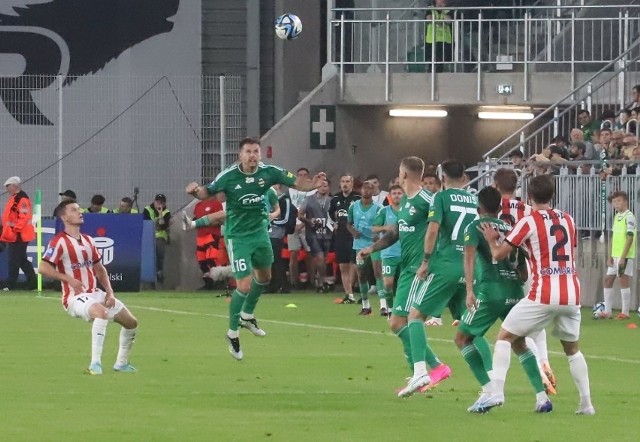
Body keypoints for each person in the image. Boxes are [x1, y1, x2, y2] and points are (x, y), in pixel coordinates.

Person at [185, 137, 326, 360]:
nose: (252, 156)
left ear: (260, 155)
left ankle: (248, 315)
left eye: (256, 152)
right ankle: (232, 333)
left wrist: (314, 185)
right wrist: (195, 191)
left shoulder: (269, 172)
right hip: (238, 237)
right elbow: (207, 192)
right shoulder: (229, 176)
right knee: (244, 283)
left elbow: (298, 183)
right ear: (240, 155)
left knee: (265, 276)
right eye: (248, 152)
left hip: (260, 233)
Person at [473, 174, 595, 415]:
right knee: (573, 350)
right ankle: (586, 404)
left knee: (504, 337)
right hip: (572, 293)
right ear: (553, 195)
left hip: (544, 292)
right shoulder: (569, 220)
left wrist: (491, 240)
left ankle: (496, 392)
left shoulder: (528, 222)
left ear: (529, 195)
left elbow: (499, 255)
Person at [397, 160, 479, 398]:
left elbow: (433, 230)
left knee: (412, 318)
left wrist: (425, 260)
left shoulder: (435, 199)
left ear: (441, 179)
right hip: (467, 264)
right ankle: (492, 382)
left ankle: (424, 369)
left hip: (436, 266)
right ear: (465, 178)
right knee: (470, 326)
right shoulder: (473, 200)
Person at [38, 199, 138, 375]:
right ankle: (95, 364)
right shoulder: (59, 241)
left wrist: (110, 292)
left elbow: (99, 269)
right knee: (102, 313)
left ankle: (121, 363)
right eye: (74, 210)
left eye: (79, 209)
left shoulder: (88, 240)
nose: (80, 212)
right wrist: (69, 279)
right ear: (64, 217)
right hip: (74, 298)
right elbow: (43, 268)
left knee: (131, 323)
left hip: (95, 293)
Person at [357, 156, 434, 381]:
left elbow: (441, 227)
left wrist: (429, 259)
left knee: (401, 321)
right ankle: (427, 369)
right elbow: (395, 234)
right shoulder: (405, 204)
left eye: (399, 172)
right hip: (408, 267)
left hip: (419, 269)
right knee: (399, 322)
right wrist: (371, 248)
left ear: (404, 175)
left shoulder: (427, 200)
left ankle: (422, 371)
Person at [455, 186, 529, 411]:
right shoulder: (509, 227)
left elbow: (468, 259)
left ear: (478, 207)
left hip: (491, 290)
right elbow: (523, 266)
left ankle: (489, 390)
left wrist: (469, 289)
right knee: (520, 343)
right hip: (515, 290)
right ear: (499, 207)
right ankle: (541, 395)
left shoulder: (474, 226)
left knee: (462, 339)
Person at [596, 191, 636, 319]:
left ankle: (625, 312)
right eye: (614, 202)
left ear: (625, 201)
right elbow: (614, 237)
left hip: (625, 255)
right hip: (615, 255)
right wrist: (610, 255)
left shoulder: (629, 217)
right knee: (608, 280)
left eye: (618, 201)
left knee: (623, 280)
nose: (616, 204)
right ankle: (607, 312)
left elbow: (630, 237)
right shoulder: (617, 216)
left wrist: (623, 257)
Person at [347, 181, 382, 315]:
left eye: (370, 188)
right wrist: (353, 232)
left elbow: (383, 225)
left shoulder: (379, 208)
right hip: (359, 245)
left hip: (375, 245)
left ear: (374, 191)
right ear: (360, 190)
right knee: (361, 274)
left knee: (377, 271)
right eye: (365, 188)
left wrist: (378, 235)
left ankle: (384, 305)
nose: (367, 190)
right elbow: (348, 224)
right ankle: (365, 305)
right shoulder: (354, 207)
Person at [372, 184, 404, 316]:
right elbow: (374, 228)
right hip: (389, 253)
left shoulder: (408, 211)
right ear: (390, 196)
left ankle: (402, 311)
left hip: (406, 253)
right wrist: (385, 228)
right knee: (388, 283)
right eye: (394, 193)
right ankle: (390, 308)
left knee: (404, 285)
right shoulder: (384, 211)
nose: (397, 195)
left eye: (399, 193)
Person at [1, 176, 37, 291]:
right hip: (15, 234)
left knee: (14, 259)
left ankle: (10, 284)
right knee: (21, 259)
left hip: (19, 234)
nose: (7, 189)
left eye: (8, 186)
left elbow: (24, 216)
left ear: (14, 186)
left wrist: (16, 229)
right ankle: (32, 283)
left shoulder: (21, 198)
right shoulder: (16, 198)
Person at [329, 174, 361, 304]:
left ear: (352, 183)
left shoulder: (357, 198)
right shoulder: (335, 198)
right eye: (343, 181)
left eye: (348, 181)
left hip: (354, 235)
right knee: (343, 266)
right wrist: (334, 222)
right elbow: (331, 213)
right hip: (341, 235)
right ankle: (349, 295)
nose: (345, 184)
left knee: (355, 265)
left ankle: (357, 291)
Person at [299, 180, 333, 293]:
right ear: (317, 187)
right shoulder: (309, 199)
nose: (323, 188)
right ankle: (320, 282)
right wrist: (309, 221)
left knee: (324, 259)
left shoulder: (331, 201)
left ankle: (322, 281)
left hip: (327, 234)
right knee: (319, 257)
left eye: (326, 186)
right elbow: (300, 215)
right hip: (313, 233)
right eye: (321, 186)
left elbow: (335, 216)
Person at [288, 167, 316, 289]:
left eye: (305, 174)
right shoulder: (291, 190)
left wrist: (303, 223)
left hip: (307, 225)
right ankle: (293, 282)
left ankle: (311, 281)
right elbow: (288, 208)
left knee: (310, 254)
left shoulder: (313, 191)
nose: (303, 177)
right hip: (293, 226)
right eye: (300, 175)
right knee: (293, 254)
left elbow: (314, 210)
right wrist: (292, 224)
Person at [192, 196, 227, 291]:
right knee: (202, 262)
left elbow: (220, 220)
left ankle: (220, 283)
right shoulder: (198, 205)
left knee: (211, 260)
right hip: (200, 236)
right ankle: (209, 283)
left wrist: (206, 223)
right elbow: (196, 219)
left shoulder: (216, 204)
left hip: (211, 235)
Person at [143, 194, 171, 284]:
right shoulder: (147, 209)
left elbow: (163, 226)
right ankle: (150, 276)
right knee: (150, 256)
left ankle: (160, 272)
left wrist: (160, 214)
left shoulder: (166, 212)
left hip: (160, 236)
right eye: (157, 202)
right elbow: (146, 223)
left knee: (160, 255)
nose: (159, 204)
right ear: (154, 201)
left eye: (161, 203)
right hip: (148, 237)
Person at [425, 0, 453, 73]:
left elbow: (449, 21)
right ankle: (430, 74)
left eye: (443, 3)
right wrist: (440, 22)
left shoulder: (447, 10)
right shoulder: (430, 9)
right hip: (432, 39)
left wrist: (443, 12)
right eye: (439, 3)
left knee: (441, 60)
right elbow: (429, 19)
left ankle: (438, 74)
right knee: (432, 60)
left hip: (444, 39)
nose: (441, 4)